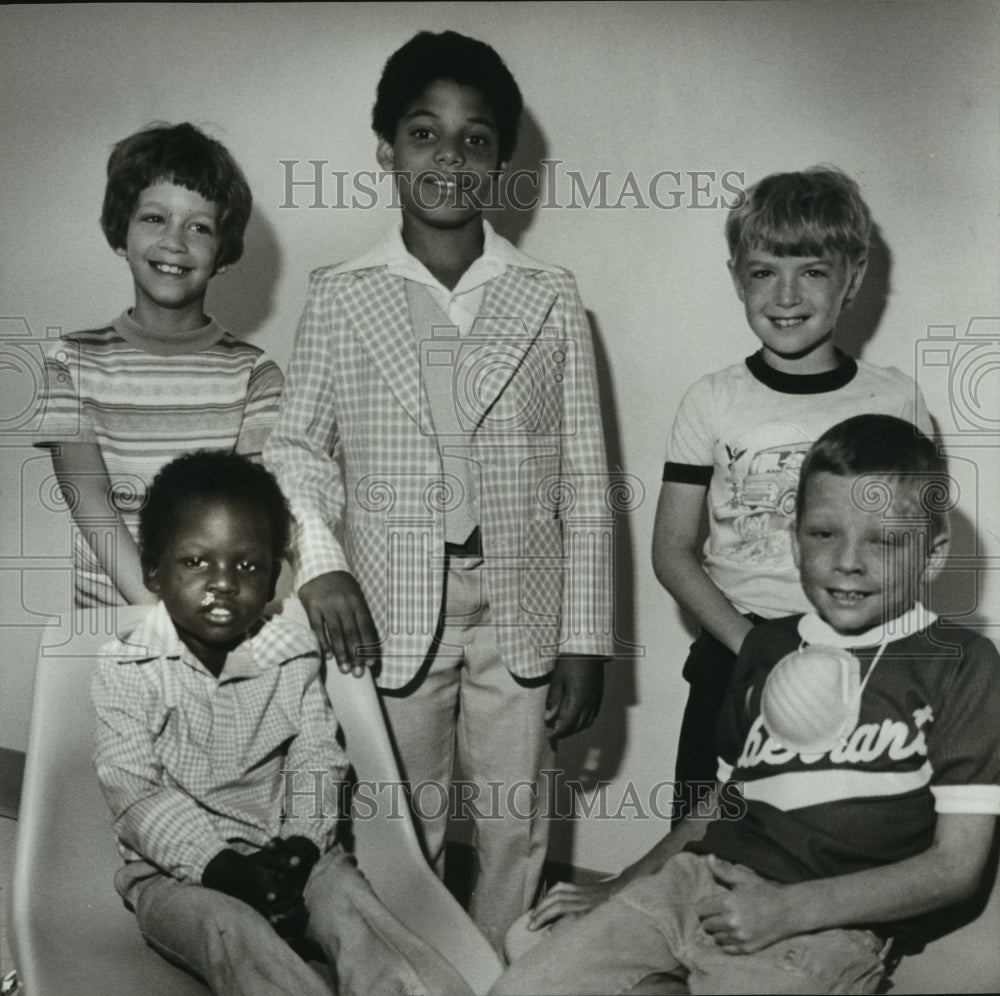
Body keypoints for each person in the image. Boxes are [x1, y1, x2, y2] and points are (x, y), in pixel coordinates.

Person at [264, 30, 613, 950]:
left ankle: (501, 969)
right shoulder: (341, 295)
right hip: (386, 608)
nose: (448, 159)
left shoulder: (548, 292)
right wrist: (323, 566)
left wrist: (587, 637)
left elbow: (584, 473)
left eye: (474, 139)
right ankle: (406, 972)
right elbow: (296, 451)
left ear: (500, 158)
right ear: (387, 148)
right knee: (399, 824)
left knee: (511, 822)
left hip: (523, 610)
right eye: (425, 134)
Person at [495, 414, 1000, 995]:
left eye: (884, 539)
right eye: (823, 533)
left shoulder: (962, 662)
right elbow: (724, 801)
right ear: (795, 540)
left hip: (824, 925)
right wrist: (624, 884)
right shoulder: (768, 645)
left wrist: (786, 910)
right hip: (692, 886)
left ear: (934, 555)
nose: (848, 561)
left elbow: (955, 868)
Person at [92, 451, 473, 996]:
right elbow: (135, 795)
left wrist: (303, 843)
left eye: (247, 566)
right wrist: (225, 870)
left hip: (293, 854)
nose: (223, 583)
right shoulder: (128, 665)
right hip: (177, 874)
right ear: (154, 569)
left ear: (274, 579)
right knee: (236, 932)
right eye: (196, 562)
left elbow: (317, 755)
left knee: (354, 910)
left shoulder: (291, 653)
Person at [652, 167, 932, 822]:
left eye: (811, 271)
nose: (785, 294)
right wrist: (752, 645)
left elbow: (911, 542)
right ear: (736, 278)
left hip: (857, 656)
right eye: (763, 271)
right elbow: (671, 550)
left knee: (832, 840)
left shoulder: (896, 399)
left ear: (854, 277)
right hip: (734, 655)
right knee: (703, 844)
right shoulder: (712, 399)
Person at [37, 122, 283, 608]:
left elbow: (257, 513)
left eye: (199, 227)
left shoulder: (255, 377)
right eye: (154, 219)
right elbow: (89, 498)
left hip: (217, 618)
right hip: (112, 626)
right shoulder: (70, 363)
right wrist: (157, 611)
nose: (175, 242)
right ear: (120, 233)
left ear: (222, 255)